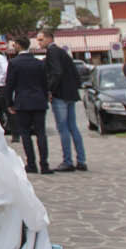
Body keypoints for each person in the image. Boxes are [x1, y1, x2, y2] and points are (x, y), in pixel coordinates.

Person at [41, 32, 87, 173]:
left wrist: (50, 89)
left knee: (63, 128)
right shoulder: (62, 52)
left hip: (60, 94)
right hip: (70, 93)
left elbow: (57, 72)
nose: (39, 43)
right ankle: (81, 160)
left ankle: (68, 161)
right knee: (73, 127)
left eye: (41, 39)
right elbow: (74, 73)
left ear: (49, 39)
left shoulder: (52, 52)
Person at [6, 35, 51, 174]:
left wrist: (9, 103)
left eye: (15, 45)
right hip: (38, 101)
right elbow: (45, 83)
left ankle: (31, 164)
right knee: (41, 133)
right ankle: (44, 164)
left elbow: (10, 85)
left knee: (25, 134)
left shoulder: (14, 63)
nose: (13, 47)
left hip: (22, 102)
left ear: (19, 45)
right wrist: (45, 97)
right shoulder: (38, 63)